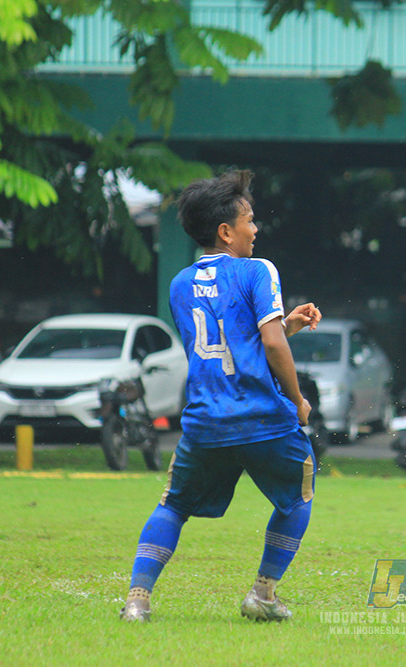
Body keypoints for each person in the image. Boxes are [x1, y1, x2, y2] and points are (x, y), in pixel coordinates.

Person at [120, 169, 322, 623]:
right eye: (249, 220)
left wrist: (284, 323)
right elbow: (269, 345)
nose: (256, 228)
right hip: (263, 417)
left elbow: (223, 343)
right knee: (297, 499)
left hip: (206, 422)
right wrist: (297, 401)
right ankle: (263, 594)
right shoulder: (258, 270)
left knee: (173, 505)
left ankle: (138, 599)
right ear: (226, 231)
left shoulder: (178, 284)